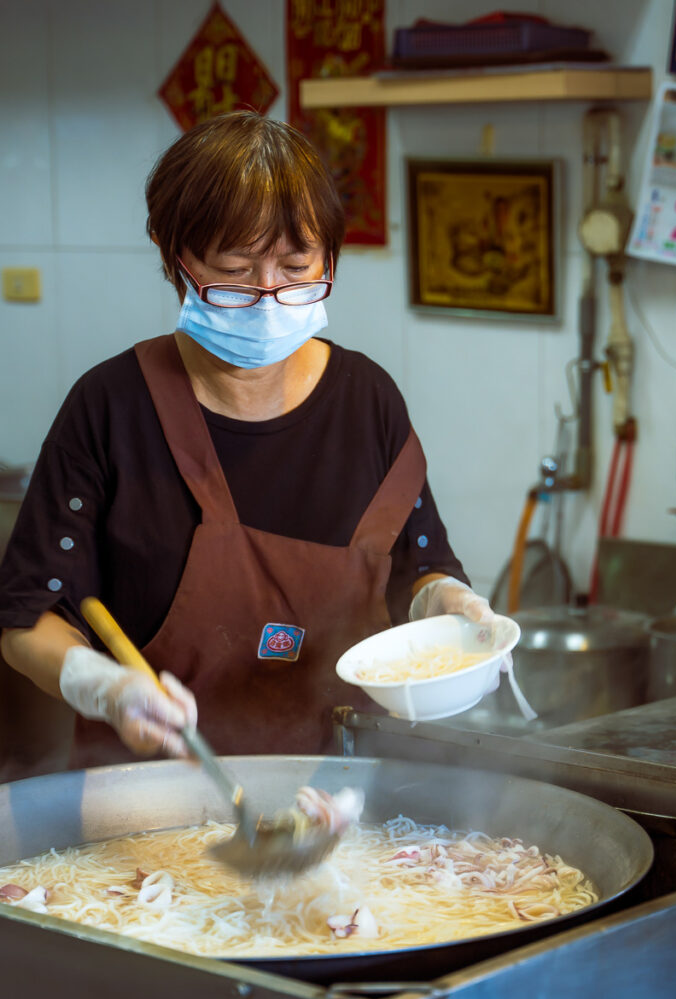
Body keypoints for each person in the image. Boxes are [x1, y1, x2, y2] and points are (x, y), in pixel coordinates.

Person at [0, 111, 493, 770]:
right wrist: (105, 688)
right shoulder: (111, 407)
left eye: (296, 269)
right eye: (233, 272)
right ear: (172, 255)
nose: (268, 299)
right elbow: (28, 616)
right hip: (153, 806)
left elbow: (420, 568)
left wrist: (450, 603)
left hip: (349, 810)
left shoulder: (367, 400)